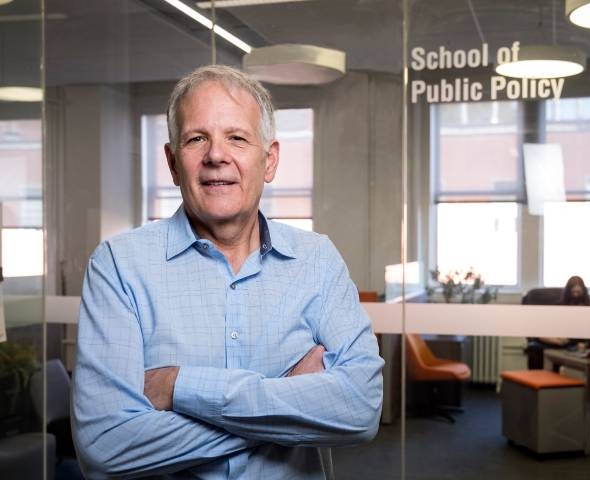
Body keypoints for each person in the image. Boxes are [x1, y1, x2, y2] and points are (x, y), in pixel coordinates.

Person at [71, 64, 384, 479]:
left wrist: (179, 387)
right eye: (197, 138)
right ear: (172, 161)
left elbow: (361, 409)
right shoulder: (119, 265)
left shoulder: (317, 261)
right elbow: (106, 444)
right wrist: (289, 402)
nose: (216, 155)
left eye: (237, 138)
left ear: (269, 161)